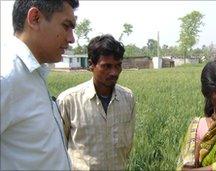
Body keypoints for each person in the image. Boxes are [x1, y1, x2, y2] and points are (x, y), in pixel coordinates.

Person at [0, 0, 79, 170]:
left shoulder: (33, 74)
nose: (71, 38)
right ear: (35, 18)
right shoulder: (6, 77)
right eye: (66, 26)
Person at [57, 34, 136, 170]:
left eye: (118, 66)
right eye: (106, 66)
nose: (114, 72)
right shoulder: (69, 100)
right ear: (91, 65)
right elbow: (58, 149)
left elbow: (127, 146)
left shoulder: (128, 98)